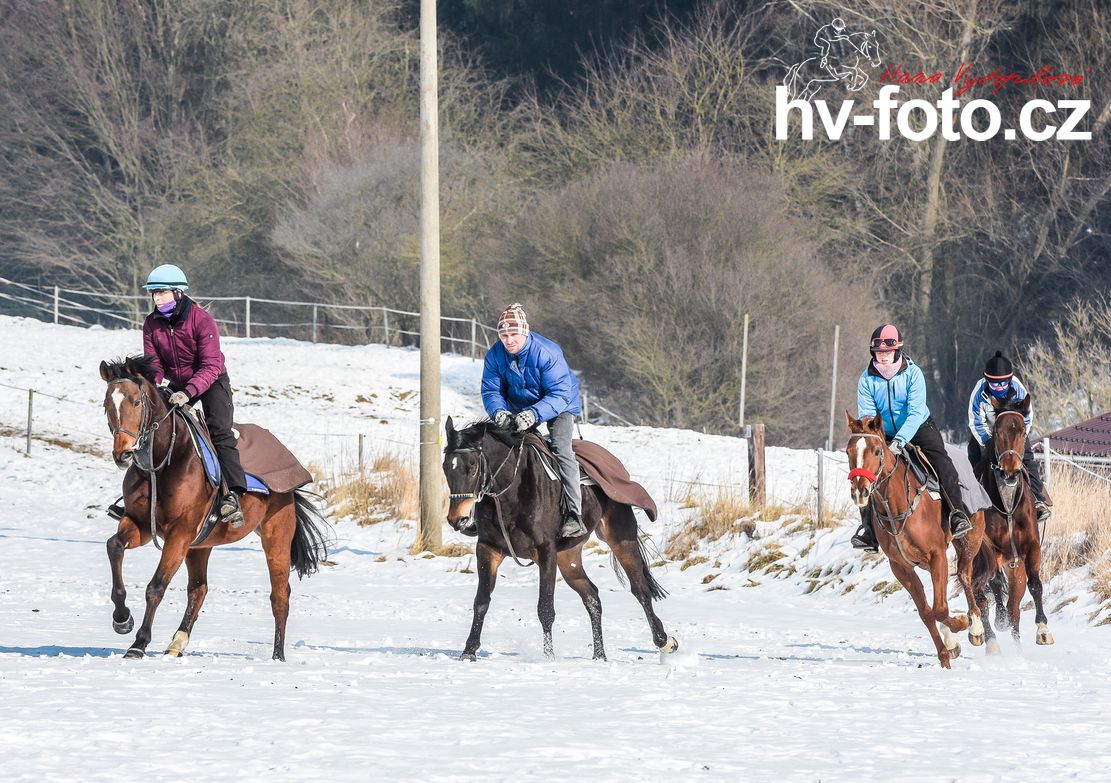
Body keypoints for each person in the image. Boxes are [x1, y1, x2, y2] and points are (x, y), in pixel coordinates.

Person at [851, 324, 974, 552]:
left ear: (897, 350)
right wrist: (877, 437)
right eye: (879, 353)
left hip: (919, 427)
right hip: (882, 432)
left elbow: (916, 412)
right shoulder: (866, 379)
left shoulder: (913, 373)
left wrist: (899, 441)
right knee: (864, 469)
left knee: (942, 462)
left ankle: (958, 514)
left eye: (887, 352)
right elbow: (866, 415)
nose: (883, 357)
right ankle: (868, 530)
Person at [141, 264, 246, 526]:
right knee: (154, 426)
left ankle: (233, 495)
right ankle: (143, 492)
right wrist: (155, 388)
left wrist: (188, 392)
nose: (157, 299)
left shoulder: (202, 320)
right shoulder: (151, 324)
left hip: (211, 381)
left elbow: (210, 366)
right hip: (177, 384)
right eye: (154, 294)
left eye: (162, 293)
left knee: (219, 431)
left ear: (178, 293)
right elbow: (154, 364)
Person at [480, 303, 585, 539]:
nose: (508, 340)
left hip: (560, 405)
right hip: (517, 405)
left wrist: (534, 414)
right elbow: (491, 390)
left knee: (561, 448)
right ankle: (485, 511)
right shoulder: (495, 354)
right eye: (503, 335)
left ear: (525, 332)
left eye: (513, 334)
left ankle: (573, 514)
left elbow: (559, 393)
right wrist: (498, 411)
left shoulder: (547, 352)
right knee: (494, 447)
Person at [967, 350, 1051, 523]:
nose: (998, 388)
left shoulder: (1019, 390)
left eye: (1002, 384)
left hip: (1013, 432)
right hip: (988, 433)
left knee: (1028, 458)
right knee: (974, 458)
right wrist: (990, 442)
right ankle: (970, 502)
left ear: (1010, 380)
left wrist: (1020, 437)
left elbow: (1027, 417)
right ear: (986, 380)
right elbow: (976, 422)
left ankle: (1037, 499)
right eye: (994, 384)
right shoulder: (978, 392)